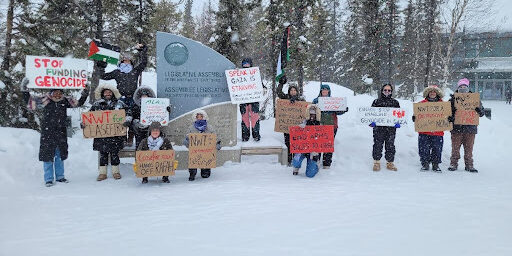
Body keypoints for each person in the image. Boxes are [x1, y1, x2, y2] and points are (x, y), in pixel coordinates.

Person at [22, 78, 89, 187]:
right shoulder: (46, 100)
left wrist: (85, 92)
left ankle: (60, 177)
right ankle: (48, 179)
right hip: (47, 133)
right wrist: (25, 90)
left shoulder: (66, 100)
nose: (58, 95)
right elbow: (31, 103)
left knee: (60, 155)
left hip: (61, 132)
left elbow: (78, 103)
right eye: (55, 92)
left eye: (60, 92)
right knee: (48, 155)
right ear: (51, 92)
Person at [97, 43, 148, 147]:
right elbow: (103, 76)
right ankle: (122, 138)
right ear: (121, 62)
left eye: (128, 61)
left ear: (131, 63)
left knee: (134, 118)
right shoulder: (117, 72)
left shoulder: (135, 71)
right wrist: (102, 65)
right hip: (121, 99)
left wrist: (143, 51)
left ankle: (130, 137)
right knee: (121, 118)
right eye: (124, 61)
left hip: (134, 98)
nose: (126, 62)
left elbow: (143, 63)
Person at [86, 84, 132, 181]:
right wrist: (84, 123)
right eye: (106, 92)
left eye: (110, 92)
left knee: (115, 154)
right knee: (103, 154)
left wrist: (127, 120)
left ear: (113, 93)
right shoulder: (97, 104)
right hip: (101, 136)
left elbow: (128, 112)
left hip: (115, 136)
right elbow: (89, 116)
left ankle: (116, 172)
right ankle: (102, 173)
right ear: (103, 93)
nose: (108, 93)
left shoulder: (120, 104)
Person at [448, 78, 485, 173]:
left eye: (465, 86)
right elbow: (447, 113)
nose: (463, 88)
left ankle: (469, 165)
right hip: (456, 128)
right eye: (461, 87)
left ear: (468, 87)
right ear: (458, 88)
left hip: (470, 128)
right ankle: (453, 164)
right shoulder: (453, 99)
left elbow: (482, 113)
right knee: (455, 149)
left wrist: (479, 110)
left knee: (469, 149)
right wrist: (451, 116)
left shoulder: (474, 99)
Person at [312, 83, 348, 169]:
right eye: (323, 89)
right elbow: (311, 111)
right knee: (318, 144)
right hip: (319, 125)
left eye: (326, 89)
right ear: (321, 91)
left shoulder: (333, 101)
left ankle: (326, 163)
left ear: (329, 91)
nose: (325, 91)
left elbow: (338, 112)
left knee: (328, 145)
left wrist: (344, 109)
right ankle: (316, 161)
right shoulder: (316, 100)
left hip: (331, 125)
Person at [412, 85, 445, 172]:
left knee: (437, 149)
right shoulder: (421, 104)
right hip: (424, 132)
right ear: (427, 93)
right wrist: (415, 118)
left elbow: (447, 116)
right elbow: (417, 115)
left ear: (437, 93)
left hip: (438, 132)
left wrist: (449, 119)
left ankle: (435, 164)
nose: (432, 93)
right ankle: (425, 163)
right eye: (430, 92)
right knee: (423, 148)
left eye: (434, 92)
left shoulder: (443, 105)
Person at [369, 84, 400, 171]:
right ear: (382, 91)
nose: (387, 92)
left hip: (391, 129)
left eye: (389, 90)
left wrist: (398, 122)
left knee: (390, 145)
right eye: (385, 90)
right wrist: (371, 122)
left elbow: (399, 115)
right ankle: (376, 162)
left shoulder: (395, 103)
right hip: (378, 129)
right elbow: (369, 115)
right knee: (377, 144)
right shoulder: (376, 102)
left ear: (391, 92)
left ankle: (390, 162)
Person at [183, 109, 222, 181]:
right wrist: (187, 141)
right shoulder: (191, 128)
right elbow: (187, 137)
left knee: (205, 163)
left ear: (204, 117)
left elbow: (215, 136)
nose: (199, 118)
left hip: (206, 151)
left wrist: (217, 143)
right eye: (198, 116)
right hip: (195, 151)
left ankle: (205, 171)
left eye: (201, 116)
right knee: (193, 162)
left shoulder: (209, 127)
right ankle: (192, 173)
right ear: (195, 117)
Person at [276, 75, 306, 166]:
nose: (293, 92)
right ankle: (289, 160)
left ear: (297, 91)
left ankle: (296, 161)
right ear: (289, 91)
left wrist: (296, 101)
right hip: (287, 126)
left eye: (294, 90)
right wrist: (281, 83)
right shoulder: (285, 98)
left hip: (297, 127)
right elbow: (278, 92)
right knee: (288, 143)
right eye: (291, 90)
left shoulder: (301, 99)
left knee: (296, 143)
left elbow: (305, 110)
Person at [292, 104, 321, 177]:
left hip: (313, 151)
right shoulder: (303, 123)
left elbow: (322, 140)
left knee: (310, 174)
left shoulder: (320, 126)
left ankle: (316, 166)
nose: (312, 116)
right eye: (310, 114)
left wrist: (316, 151)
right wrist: (300, 129)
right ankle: (296, 168)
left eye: (314, 115)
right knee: (296, 160)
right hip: (302, 149)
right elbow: (296, 137)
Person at [239, 58, 261, 142]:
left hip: (254, 101)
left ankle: (256, 135)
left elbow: (260, 85)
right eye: (244, 64)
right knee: (244, 118)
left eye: (247, 64)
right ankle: (245, 136)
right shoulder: (239, 74)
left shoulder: (255, 74)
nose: (246, 65)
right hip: (243, 101)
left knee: (254, 118)